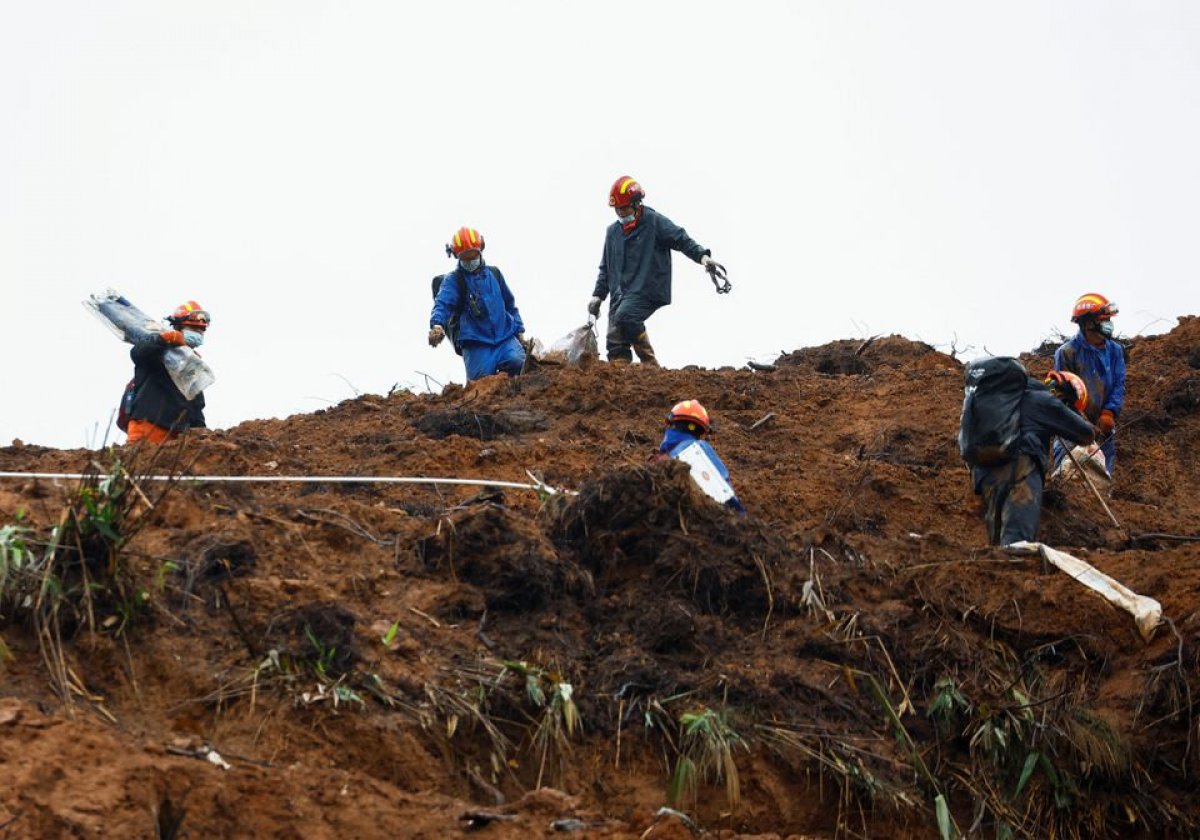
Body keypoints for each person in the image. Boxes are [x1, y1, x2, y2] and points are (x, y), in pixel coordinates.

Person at [587, 176, 727, 366]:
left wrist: (703, 258)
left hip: (647, 287)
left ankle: (650, 365)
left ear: (637, 204)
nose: (620, 213)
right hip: (620, 294)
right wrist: (598, 296)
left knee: (626, 316)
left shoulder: (653, 222)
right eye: (617, 210)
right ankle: (620, 377)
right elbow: (606, 268)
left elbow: (681, 239)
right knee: (615, 340)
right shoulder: (613, 232)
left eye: (624, 208)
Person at [969, 371, 1095, 546]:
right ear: (1063, 394)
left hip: (985, 473)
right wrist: (1068, 413)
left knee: (996, 543)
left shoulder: (1000, 400)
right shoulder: (1045, 400)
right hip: (1021, 469)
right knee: (1017, 543)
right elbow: (1086, 434)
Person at [429, 226, 528, 382]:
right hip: (477, 344)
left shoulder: (495, 274)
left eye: (473, 255)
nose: (470, 261)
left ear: (481, 249)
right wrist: (437, 325)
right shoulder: (454, 281)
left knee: (522, 368)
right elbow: (443, 303)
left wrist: (519, 331)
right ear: (457, 256)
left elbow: (509, 304)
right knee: (480, 385)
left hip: (505, 338)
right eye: (465, 257)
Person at [1053, 293, 1125, 475]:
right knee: (1069, 478)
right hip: (1072, 430)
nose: (1108, 323)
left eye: (1108, 319)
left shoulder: (1115, 351)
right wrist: (1084, 424)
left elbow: (1118, 384)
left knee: (1101, 480)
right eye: (1103, 319)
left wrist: (1109, 412)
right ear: (1086, 323)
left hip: (1104, 432)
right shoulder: (1067, 353)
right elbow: (1065, 396)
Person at [125, 301, 210, 445]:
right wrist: (165, 339)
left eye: (201, 330)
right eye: (193, 328)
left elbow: (195, 404)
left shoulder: (192, 364)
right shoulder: (159, 347)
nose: (198, 333)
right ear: (178, 326)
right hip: (149, 427)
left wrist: (201, 431)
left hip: (177, 436)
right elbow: (139, 353)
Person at [652, 399, 746, 515]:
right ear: (700, 432)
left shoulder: (657, 461)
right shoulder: (699, 448)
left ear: (670, 423)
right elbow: (724, 494)